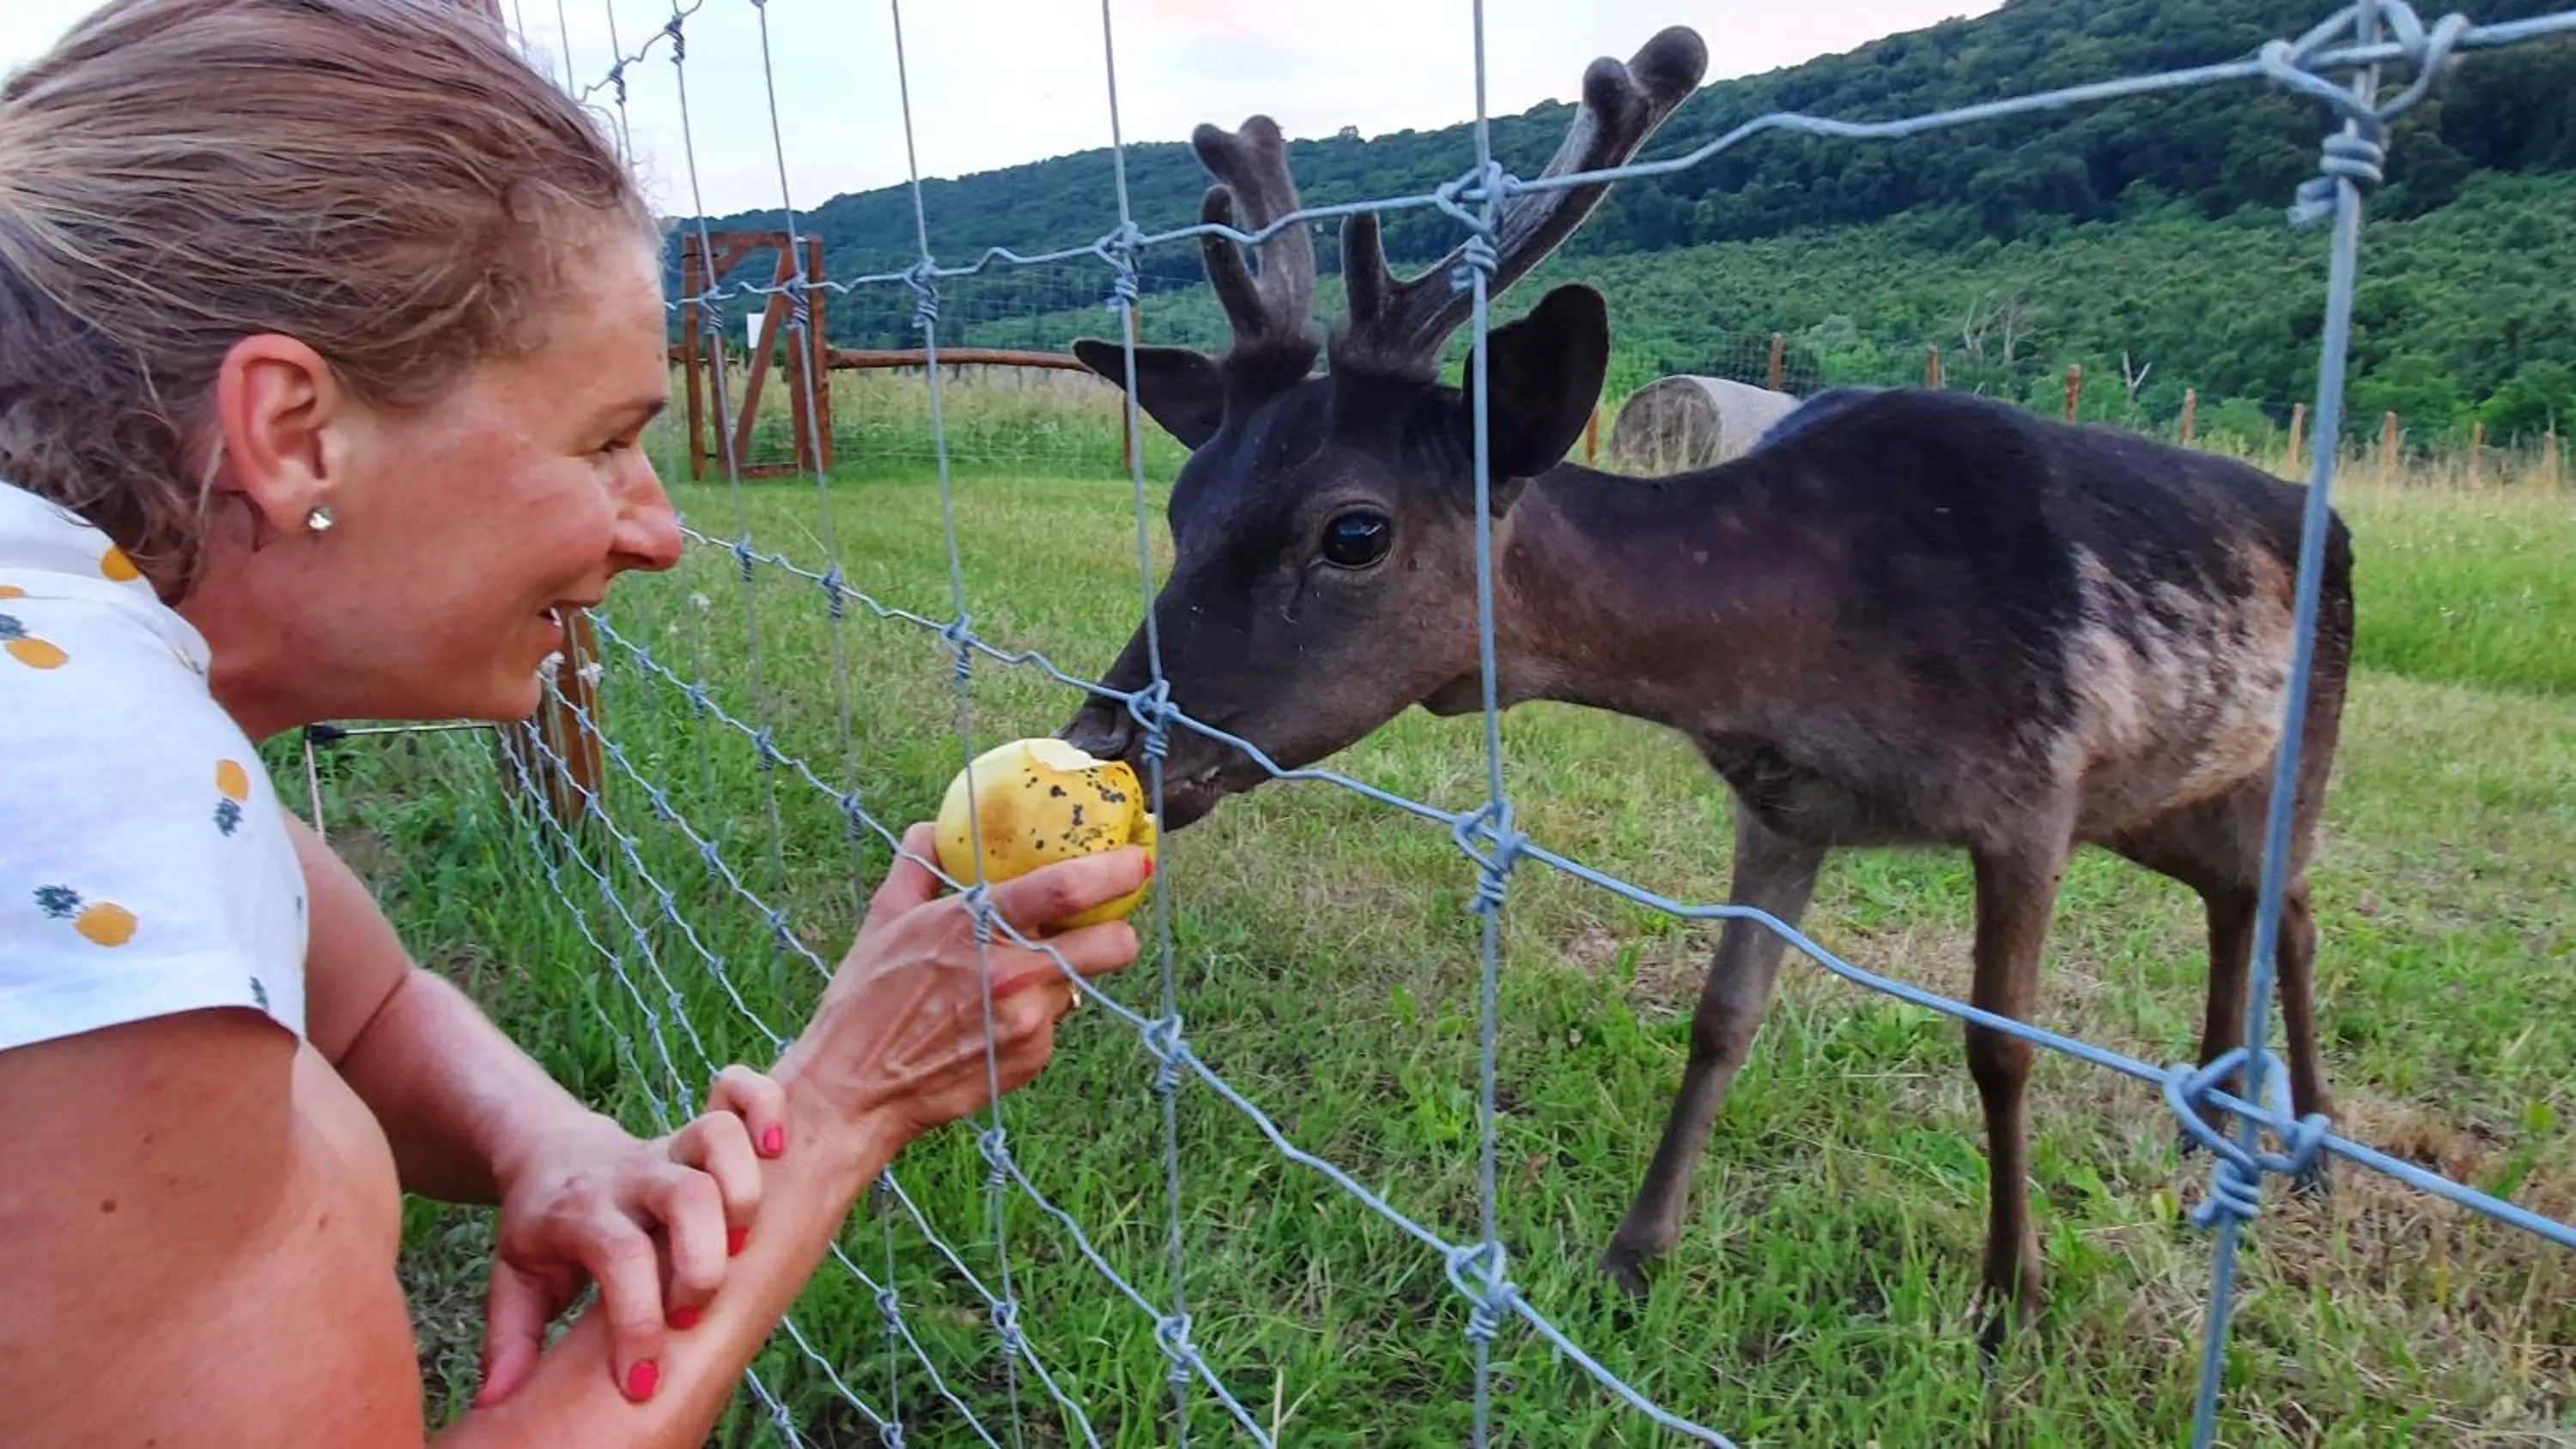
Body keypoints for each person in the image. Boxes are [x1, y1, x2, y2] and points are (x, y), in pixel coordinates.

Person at [0, 1, 1152, 1444]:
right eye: (604, 441)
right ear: (294, 431)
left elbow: (364, 1006)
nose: (660, 530)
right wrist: (848, 1104)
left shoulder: (65, 669)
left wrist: (552, 1149)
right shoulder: (73, 777)